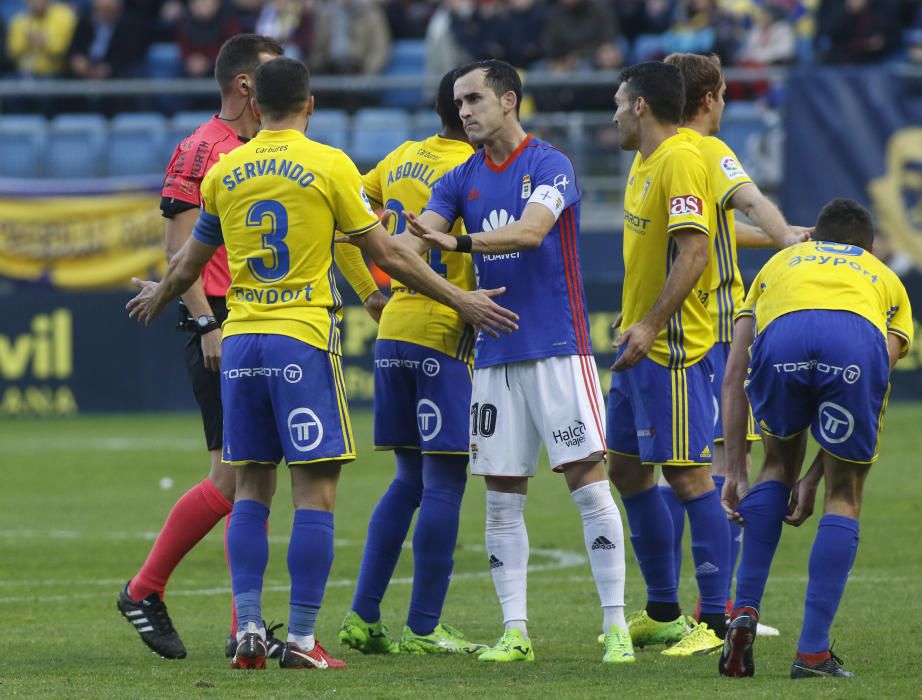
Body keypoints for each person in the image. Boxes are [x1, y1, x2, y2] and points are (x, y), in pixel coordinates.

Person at [126, 56, 518, 671]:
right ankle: (304, 640)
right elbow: (389, 252)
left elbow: (188, 261)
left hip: (242, 343)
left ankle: (250, 627)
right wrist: (458, 296)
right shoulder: (329, 165)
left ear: (257, 106)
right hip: (301, 340)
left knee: (251, 488)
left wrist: (158, 294)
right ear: (311, 105)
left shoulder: (226, 170)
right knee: (317, 492)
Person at [116, 34, 387, 662]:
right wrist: (206, 324)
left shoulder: (249, 154)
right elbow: (179, 252)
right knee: (244, 479)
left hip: (246, 330)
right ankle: (153, 591)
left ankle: (241, 625)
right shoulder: (202, 151)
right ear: (249, 87)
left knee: (244, 479)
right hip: (229, 328)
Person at [406, 59, 633, 665]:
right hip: (494, 358)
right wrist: (374, 238)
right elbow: (412, 243)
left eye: (475, 98)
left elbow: (533, 232)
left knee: (588, 484)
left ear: (509, 100)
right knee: (502, 499)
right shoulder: (459, 178)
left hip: (559, 349)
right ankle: (515, 632)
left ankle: (615, 626)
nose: (465, 111)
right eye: (459, 103)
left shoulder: (549, 164)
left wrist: (453, 244)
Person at [718, 199, 913, 679]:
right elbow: (871, 382)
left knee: (774, 468)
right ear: (866, 248)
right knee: (844, 493)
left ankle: (743, 610)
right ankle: (811, 654)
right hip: (853, 343)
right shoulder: (882, 275)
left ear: (815, 237)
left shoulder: (779, 263)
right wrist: (818, 477)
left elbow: (736, 372)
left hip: (783, 337)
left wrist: (736, 468)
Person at [659, 51, 809, 636]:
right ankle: (717, 610)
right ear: (710, 98)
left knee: (681, 467)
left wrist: (780, 236)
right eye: (722, 94)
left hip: (677, 331)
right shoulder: (708, 150)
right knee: (726, 470)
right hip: (720, 328)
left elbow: (717, 224)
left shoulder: (664, 154)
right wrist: (792, 246)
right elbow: (747, 199)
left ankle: (671, 605)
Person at [338, 69, 487, 656]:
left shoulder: (400, 156)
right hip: (443, 327)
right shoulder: (477, 171)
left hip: (395, 325)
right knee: (446, 479)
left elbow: (342, 225)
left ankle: (362, 616)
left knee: (407, 479)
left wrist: (368, 293)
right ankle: (424, 627)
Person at [606, 60, 730, 657]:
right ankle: (662, 611)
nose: (611, 114)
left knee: (689, 476)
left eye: (616, 102)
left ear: (640, 106)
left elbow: (696, 250)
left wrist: (652, 323)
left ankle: (718, 621)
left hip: (673, 349)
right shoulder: (643, 161)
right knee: (627, 470)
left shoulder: (680, 158)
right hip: (637, 346)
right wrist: (632, 319)